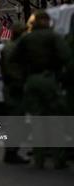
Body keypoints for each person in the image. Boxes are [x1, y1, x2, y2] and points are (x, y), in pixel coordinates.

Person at [11, 11, 70, 169]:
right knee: (55, 120)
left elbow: (14, 57)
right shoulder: (53, 37)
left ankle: (39, 159)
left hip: (31, 80)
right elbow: (66, 56)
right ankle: (59, 159)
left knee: (37, 121)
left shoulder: (26, 38)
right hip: (49, 78)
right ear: (48, 21)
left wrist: (23, 74)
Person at [0, 24, 29, 164]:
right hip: (15, 86)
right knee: (16, 120)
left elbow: (3, 67)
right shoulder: (16, 48)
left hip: (10, 86)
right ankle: (11, 152)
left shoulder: (8, 47)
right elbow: (13, 69)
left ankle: (11, 151)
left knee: (15, 119)